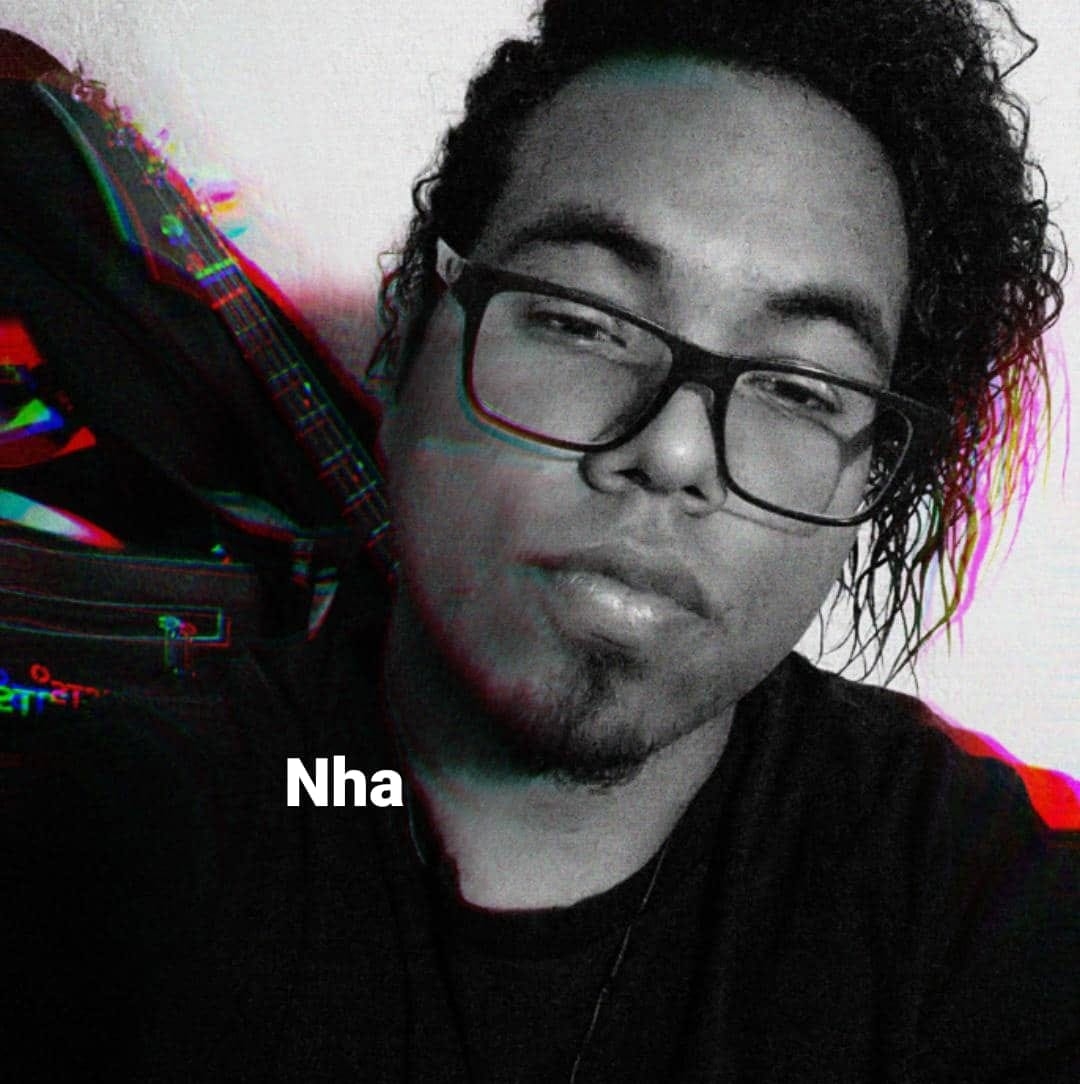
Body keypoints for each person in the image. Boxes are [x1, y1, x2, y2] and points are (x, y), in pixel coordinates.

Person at [11, 0, 1077, 1081]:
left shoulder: (984, 906)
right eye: (581, 319)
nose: (673, 452)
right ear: (410, 336)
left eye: (800, 389)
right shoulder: (111, 841)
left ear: (868, 475)